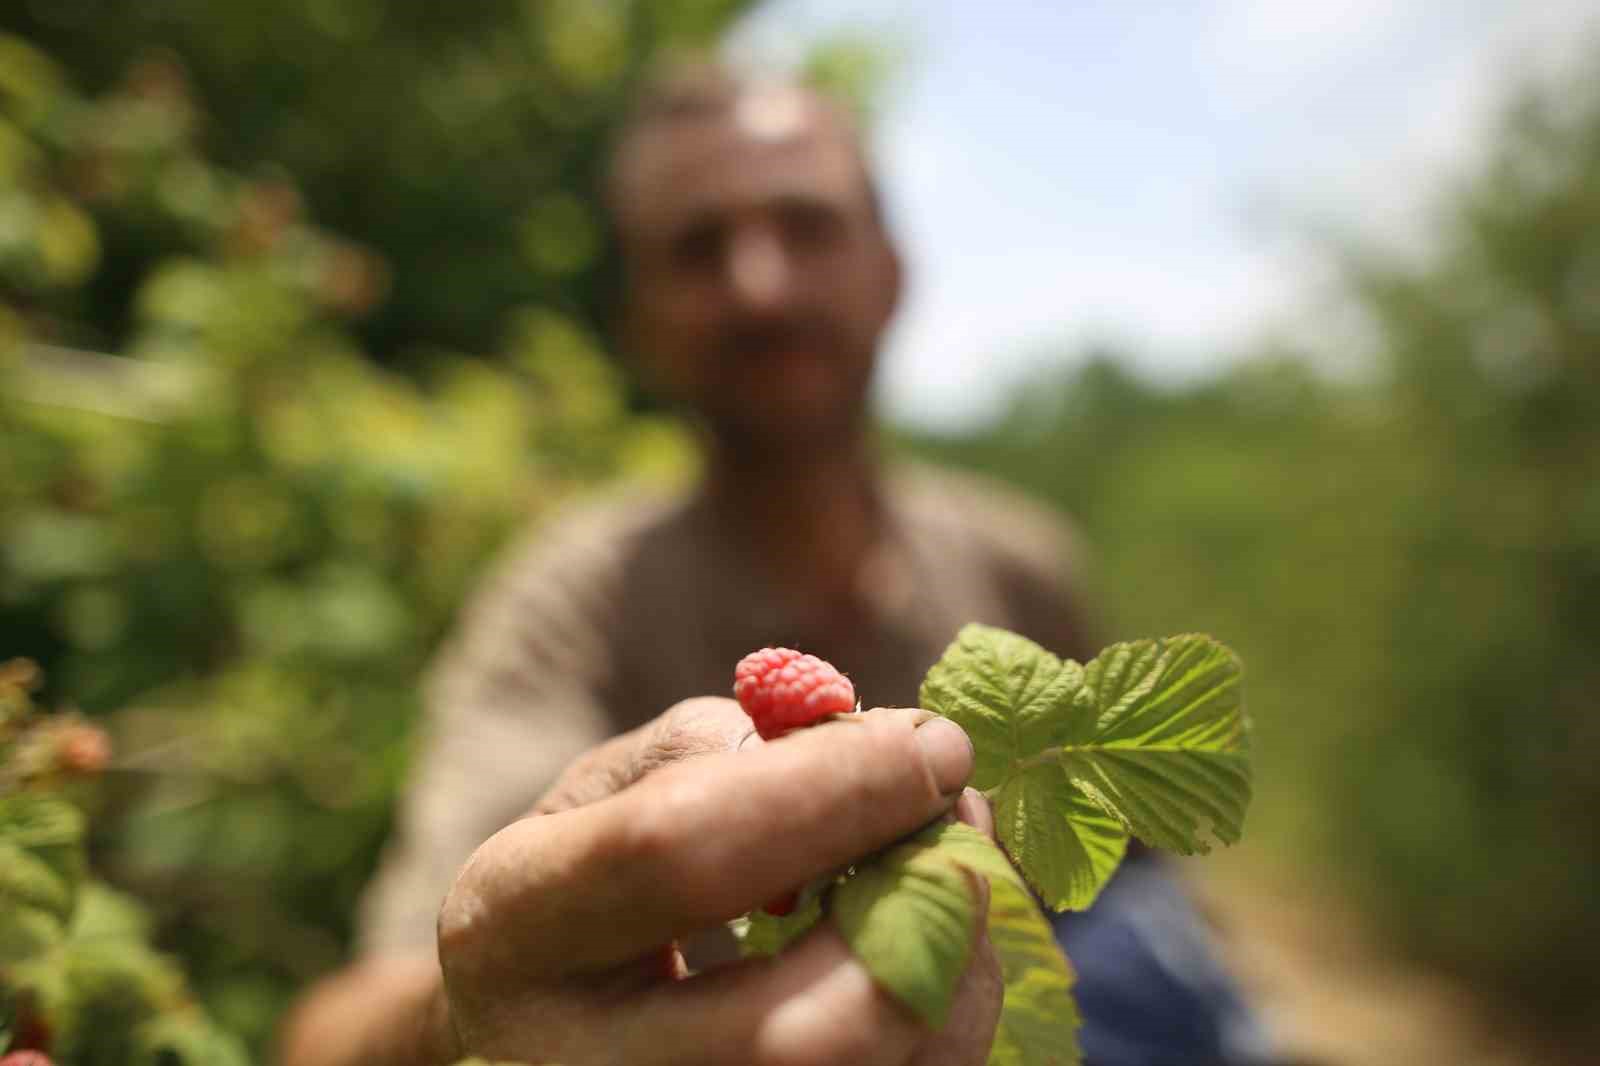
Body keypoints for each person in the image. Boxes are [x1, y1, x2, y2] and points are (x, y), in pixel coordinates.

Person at [281, 61, 1264, 1066]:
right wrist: (470, 1010)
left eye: (807, 225)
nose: (761, 284)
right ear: (640, 322)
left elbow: (1136, 879)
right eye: (698, 247)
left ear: (889, 272)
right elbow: (332, 1032)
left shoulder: (1020, 565)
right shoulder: (575, 599)